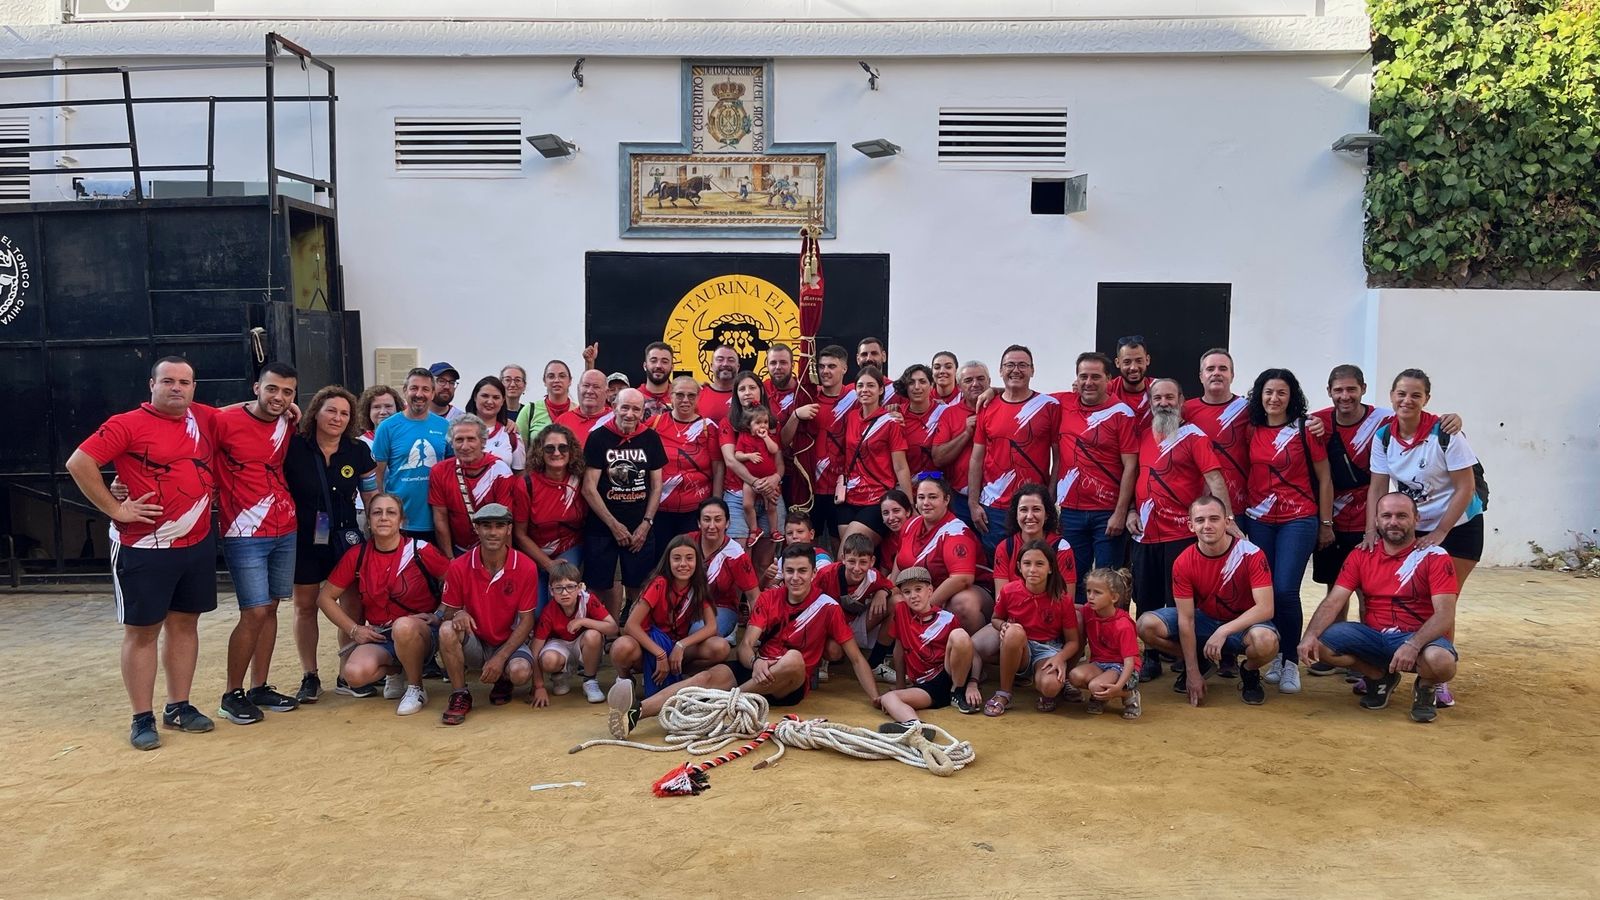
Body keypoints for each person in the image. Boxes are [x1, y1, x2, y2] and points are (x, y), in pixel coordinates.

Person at [66, 356, 220, 749]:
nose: (177, 388)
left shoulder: (201, 418)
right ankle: (141, 717)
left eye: (185, 382)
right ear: (151, 385)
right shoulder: (126, 424)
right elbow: (79, 462)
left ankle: (179, 706)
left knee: (185, 625)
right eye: (168, 380)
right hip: (144, 545)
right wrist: (116, 508)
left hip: (196, 541)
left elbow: (238, 412)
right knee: (143, 632)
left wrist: (285, 407)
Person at [607, 543, 881, 737]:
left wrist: (876, 697)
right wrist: (757, 660)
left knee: (793, 659)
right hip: (758, 668)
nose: (795, 578)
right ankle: (635, 713)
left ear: (812, 573)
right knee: (702, 680)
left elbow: (855, 657)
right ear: (782, 572)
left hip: (788, 682)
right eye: (790, 571)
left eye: (802, 571)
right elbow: (747, 644)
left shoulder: (828, 607)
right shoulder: (768, 597)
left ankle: (723, 703)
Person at [1366, 368, 1483, 708]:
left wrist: (1441, 532)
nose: (1407, 400)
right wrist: (1371, 530)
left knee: (1445, 600)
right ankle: (1389, 664)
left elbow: (1466, 487)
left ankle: (1435, 678)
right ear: (1391, 396)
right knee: (1407, 595)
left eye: (1416, 395)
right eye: (1401, 393)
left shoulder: (1446, 434)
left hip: (1459, 527)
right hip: (1415, 525)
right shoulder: (1384, 436)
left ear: (1426, 399)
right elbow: (1377, 485)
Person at [1299, 492, 1460, 723]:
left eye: (1401, 516)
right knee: (1321, 646)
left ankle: (1425, 688)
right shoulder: (1361, 553)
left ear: (1416, 519)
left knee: (1442, 662)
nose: (1393, 522)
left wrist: (1412, 645)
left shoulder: (1435, 556)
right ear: (1376, 520)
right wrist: (1310, 635)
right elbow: (1334, 600)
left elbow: (1445, 614)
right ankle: (1379, 677)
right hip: (1374, 636)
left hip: (1418, 637)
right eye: (1386, 515)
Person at [213, 361, 302, 726]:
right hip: (243, 531)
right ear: (256, 388)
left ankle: (259, 686)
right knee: (253, 611)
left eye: (287, 392)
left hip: (285, 527)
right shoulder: (224, 421)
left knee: (271, 608)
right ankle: (231, 693)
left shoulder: (288, 422)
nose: (279, 397)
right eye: (272, 389)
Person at [1125, 378, 1231, 680]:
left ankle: (1188, 659)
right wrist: (1132, 509)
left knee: (1179, 602)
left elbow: (1215, 480)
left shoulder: (1194, 437)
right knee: (1145, 597)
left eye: (1169, 397)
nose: (1163, 403)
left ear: (1181, 401)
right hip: (1145, 532)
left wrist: (1228, 520)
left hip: (1181, 534)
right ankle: (1153, 657)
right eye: (1157, 398)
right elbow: (1135, 477)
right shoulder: (1143, 436)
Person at [1242, 367, 1333, 695]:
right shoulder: (1251, 429)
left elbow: (1324, 478)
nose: (1274, 398)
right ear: (1259, 396)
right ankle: (1274, 657)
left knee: (1285, 590)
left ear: (1291, 396)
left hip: (1299, 519)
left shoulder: (1305, 429)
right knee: (1264, 592)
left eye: (1281, 392)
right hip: (1260, 520)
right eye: (1268, 392)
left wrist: (1325, 524)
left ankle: (1290, 660)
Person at [315, 493, 448, 716]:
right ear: (368, 520)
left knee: (403, 627)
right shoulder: (357, 555)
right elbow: (324, 598)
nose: (384, 518)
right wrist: (355, 630)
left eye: (391, 512)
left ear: (402, 521)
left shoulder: (419, 549)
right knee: (354, 674)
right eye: (377, 512)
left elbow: (456, 580)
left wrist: (440, 613)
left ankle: (416, 688)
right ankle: (397, 670)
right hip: (383, 634)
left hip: (422, 632)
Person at [1138, 495, 1278, 707]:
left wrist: (1223, 631)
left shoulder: (1251, 553)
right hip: (1205, 620)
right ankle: (1200, 663)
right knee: (1146, 625)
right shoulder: (1184, 561)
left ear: (1227, 522)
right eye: (1200, 520)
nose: (1207, 526)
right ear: (1191, 526)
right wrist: (1192, 672)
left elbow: (1266, 608)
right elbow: (1186, 619)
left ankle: (1249, 671)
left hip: (1244, 624)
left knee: (1266, 642)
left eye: (1214, 519)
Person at [283, 385, 376, 704]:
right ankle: (310, 676)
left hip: (345, 537)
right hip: (304, 537)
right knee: (305, 606)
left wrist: (381, 527)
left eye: (344, 413)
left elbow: (370, 493)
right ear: (316, 412)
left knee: (352, 604)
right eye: (331, 410)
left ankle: (345, 672)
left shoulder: (358, 451)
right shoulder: (293, 446)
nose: (337, 417)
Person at [436, 503, 539, 724]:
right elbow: (447, 614)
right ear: (477, 529)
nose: (493, 532)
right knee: (447, 630)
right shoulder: (458, 566)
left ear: (509, 529)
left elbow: (527, 620)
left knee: (520, 673)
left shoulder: (526, 566)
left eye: (499, 526)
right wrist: (457, 615)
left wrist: (500, 658)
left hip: (509, 643)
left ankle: (503, 678)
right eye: (486, 526)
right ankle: (460, 694)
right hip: (476, 642)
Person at [1053, 352, 1138, 585]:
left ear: (1109, 379)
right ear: (1076, 379)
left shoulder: (1122, 413)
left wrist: (1121, 513)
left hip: (1107, 513)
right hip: (1071, 511)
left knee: (1108, 583)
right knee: (1071, 580)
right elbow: (1026, 396)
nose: (1088, 382)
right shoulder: (1064, 402)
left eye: (1095, 377)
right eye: (1083, 376)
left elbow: (1131, 466)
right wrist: (994, 391)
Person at [580, 388, 666, 616]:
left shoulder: (650, 438)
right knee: (599, 585)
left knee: (639, 585)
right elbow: (588, 487)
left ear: (642, 412)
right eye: (625, 407)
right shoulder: (598, 437)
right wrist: (613, 525)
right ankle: (605, 633)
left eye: (636, 409)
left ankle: (635, 632)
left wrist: (646, 524)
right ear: (614, 406)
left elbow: (657, 485)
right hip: (602, 527)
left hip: (640, 527)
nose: (630, 413)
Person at [609, 535, 732, 695]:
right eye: (677, 558)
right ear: (668, 561)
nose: (683, 564)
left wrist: (682, 646)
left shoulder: (699, 586)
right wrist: (660, 654)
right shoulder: (659, 583)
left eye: (689, 558)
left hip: (675, 647)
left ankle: (679, 674)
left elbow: (711, 627)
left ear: (697, 561)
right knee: (621, 646)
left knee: (720, 646)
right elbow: (631, 626)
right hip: (648, 647)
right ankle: (625, 679)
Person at [971, 540, 1081, 716]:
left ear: (1051, 567)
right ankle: (1004, 692)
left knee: (1050, 686)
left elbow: (1073, 642)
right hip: (1020, 647)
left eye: (1039, 564)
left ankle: (1051, 689)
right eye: (1027, 564)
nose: (1032, 569)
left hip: (1047, 649)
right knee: (1014, 631)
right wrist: (1004, 625)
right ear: (1019, 567)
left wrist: (1060, 658)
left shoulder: (1062, 598)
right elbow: (995, 619)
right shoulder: (1009, 591)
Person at [969, 345, 1060, 553]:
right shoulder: (987, 407)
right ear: (1000, 371)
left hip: (1033, 507)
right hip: (993, 507)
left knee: (1034, 570)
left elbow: (1059, 456)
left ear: (1032, 370)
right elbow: (976, 458)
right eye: (1010, 365)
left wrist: (1051, 495)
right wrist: (974, 504)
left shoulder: (1049, 405)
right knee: (997, 570)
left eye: (1022, 365)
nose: (1016, 370)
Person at [877, 566, 974, 733]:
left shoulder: (947, 619)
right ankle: (915, 725)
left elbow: (970, 654)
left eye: (918, 589)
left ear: (930, 591)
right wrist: (901, 684)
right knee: (887, 698)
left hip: (946, 676)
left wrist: (973, 684)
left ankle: (957, 692)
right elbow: (899, 650)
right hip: (924, 686)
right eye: (907, 592)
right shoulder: (901, 612)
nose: (913, 596)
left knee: (960, 635)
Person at [895, 475, 990, 634]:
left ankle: (973, 651)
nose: (926, 503)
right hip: (921, 590)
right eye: (921, 497)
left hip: (967, 591)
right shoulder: (910, 524)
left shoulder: (956, 531)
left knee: (963, 604)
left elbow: (962, 579)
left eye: (932, 497)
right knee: (892, 600)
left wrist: (926, 607)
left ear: (946, 500)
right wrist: (890, 590)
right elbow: (899, 562)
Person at [833, 366, 913, 544]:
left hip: (877, 498)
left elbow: (900, 466)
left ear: (881, 389)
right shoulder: (851, 416)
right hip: (849, 497)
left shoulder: (890, 421)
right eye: (860, 386)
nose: (864, 390)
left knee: (847, 553)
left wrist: (909, 505)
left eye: (870, 385)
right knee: (859, 560)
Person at [511, 423, 587, 611]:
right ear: (540, 452)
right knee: (536, 613)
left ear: (571, 451)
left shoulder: (580, 479)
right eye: (549, 448)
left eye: (563, 447)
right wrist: (548, 564)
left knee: (560, 600)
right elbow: (519, 534)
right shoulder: (526, 484)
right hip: (535, 550)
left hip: (569, 546)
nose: (556, 453)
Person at [372, 367, 452, 543]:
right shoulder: (387, 427)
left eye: (425, 389)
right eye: (414, 388)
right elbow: (377, 475)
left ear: (432, 393)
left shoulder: (444, 426)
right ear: (405, 391)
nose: (419, 394)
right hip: (400, 522)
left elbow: (452, 470)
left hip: (437, 521)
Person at [783, 344, 851, 547]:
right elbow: (784, 441)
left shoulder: (855, 397)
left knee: (841, 545)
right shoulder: (807, 397)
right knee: (805, 545)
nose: (825, 371)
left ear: (845, 369)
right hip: (810, 488)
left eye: (832, 366)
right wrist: (796, 415)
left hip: (843, 487)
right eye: (821, 366)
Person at [529, 562, 618, 706]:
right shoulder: (549, 612)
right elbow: (535, 650)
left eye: (570, 587)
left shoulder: (588, 600)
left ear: (579, 587)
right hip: (559, 645)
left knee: (593, 635)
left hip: (581, 643)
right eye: (558, 588)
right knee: (548, 660)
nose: (564, 593)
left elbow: (613, 628)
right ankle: (560, 675)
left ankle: (589, 680)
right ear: (551, 591)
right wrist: (538, 686)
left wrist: (583, 621)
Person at [427, 414, 517, 558]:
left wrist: (502, 562)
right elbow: (440, 519)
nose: (465, 446)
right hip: (458, 550)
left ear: (483, 442)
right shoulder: (439, 471)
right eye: (459, 440)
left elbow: (504, 521)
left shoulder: (500, 471)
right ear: (451, 443)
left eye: (471, 439)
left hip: (493, 550)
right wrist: (450, 560)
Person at [814, 532, 896, 684]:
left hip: (854, 624)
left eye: (863, 562)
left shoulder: (874, 577)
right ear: (843, 558)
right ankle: (821, 660)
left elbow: (894, 590)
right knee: (833, 651)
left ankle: (875, 663)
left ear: (872, 561)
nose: (857, 568)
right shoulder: (825, 575)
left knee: (897, 603)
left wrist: (882, 592)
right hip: (830, 630)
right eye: (852, 561)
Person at [648, 376, 724, 541]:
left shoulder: (708, 427)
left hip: (695, 510)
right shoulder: (654, 423)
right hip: (659, 508)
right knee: (659, 561)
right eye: (680, 394)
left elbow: (718, 468)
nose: (685, 400)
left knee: (690, 560)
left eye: (691, 395)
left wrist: (716, 505)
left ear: (698, 397)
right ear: (670, 396)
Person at [1068, 567, 1142, 719]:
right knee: (1074, 676)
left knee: (1095, 686)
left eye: (1097, 592)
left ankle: (1128, 694)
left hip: (1122, 667)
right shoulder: (1089, 610)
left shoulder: (1123, 624)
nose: (1090, 596)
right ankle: (1100, 695)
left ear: (1114, 597)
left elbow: (1130, 662)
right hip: (1099, 663)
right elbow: (1070, 607)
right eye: (1088, 591)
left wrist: (1119, 686)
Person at [719, 371, 783, 547]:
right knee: (739, 549)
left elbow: (779, 462)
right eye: (742, 389)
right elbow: (731, 460)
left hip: (770, 492)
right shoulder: (728, 423)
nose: (747, 392)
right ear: (736, 394)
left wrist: (774, 480)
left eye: (752, 387)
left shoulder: (771, 423)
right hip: (738, 495)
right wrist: (755, 483)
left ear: (761, 391)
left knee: (766, 557)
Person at [929, 360, 990, 526]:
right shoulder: (949, 414)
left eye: (981, 379)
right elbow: (938, 458)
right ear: (959, 386)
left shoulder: (1001, 406)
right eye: (968, 380)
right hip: (960, 499)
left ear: (989, 382)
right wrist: (966, 434)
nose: (975, 384)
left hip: (996, 499)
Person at [691, 498, 761, 639]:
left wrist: (757, 635)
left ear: (727, 523)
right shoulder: (686, 543)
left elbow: (754, 597)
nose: (711, 526)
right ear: (699, 523)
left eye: (718, 520)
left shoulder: (736, 554)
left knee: (699, 635)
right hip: (686, 603)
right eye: (706, 519)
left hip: (720, 607)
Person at [990, 484, 1076, 597]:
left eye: (1036, 509)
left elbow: (1066, 599)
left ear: (1046, 515)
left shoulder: (1061, 547)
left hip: (1050, 612)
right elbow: (1000, 599)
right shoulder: (1005, 547)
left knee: (1077, 613)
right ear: (1016, 515)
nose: (1029, 516)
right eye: (1023, 510)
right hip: (1015, 611)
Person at [464, 375, 525, 472]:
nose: (490, 401)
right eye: (485, 396)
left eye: (496, 397)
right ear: (475, 397)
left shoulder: (511, 435)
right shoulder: (458, 430)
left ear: (503, 401)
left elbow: (519, 475)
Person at [515, 359, 575, 446]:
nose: (556, 380)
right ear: (544, 381)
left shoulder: (578, 411)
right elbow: (519, 450)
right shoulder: (529, 410)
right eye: (551, 376)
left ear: (570, 381)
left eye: (562, 376)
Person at [895, 364, 940, 476]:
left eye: (922, 381)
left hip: (939, 483)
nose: (917, 387)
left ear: (932, 385)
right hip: (906, 483)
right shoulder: (896, 415)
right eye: (911, 382)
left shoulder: (945, 412)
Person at [557, 369, 614, 448]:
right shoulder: (563, 421)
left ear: (607, 392)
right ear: (578, 388)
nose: (590, 391)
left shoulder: (615, 419)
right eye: (586, 385)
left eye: (596, 387)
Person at [1109, 335, 1154, 433]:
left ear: (1147, 360)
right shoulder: (1107, 390)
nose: (1133, 367)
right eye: (1127, 362)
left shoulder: (1160, 389)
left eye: (1139, 361)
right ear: (1117, 363)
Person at [699, 344, 740, 423]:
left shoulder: (746, 395)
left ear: (738, 367)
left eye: (731, 360)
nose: (725, 364)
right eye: (720, 359)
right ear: (711, 366)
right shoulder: (697, 394)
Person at [875, 489, 912, 575]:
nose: (891, 517)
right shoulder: (886, 541)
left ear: (908, 512)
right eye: (885, 513)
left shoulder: (921, 533)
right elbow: (883, 577)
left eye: (896, 511)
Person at [856, 336, 897, 405]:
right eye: (864, 354)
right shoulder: (849, 393)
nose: (869, 358)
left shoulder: (896, 391)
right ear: (858, 359)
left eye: (874, 353)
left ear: (883, 356)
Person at [638, 342, 674, 417]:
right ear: (645, 366)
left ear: (672, 367)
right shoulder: (634, 397)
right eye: (653, 361)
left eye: (664, 362)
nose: (658, 366)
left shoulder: (681, 397)